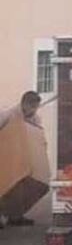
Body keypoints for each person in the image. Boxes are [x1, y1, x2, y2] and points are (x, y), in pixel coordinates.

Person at [0, 92, 44, 228]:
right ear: (24, 104)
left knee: (20, 188)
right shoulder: (7, 115)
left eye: (36, 107)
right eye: (32, 107)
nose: (34, 110)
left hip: (23, 159)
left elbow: (37, 137)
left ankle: (15, 216)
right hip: (6, 157)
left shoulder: (35, 118)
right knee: (4, 188)